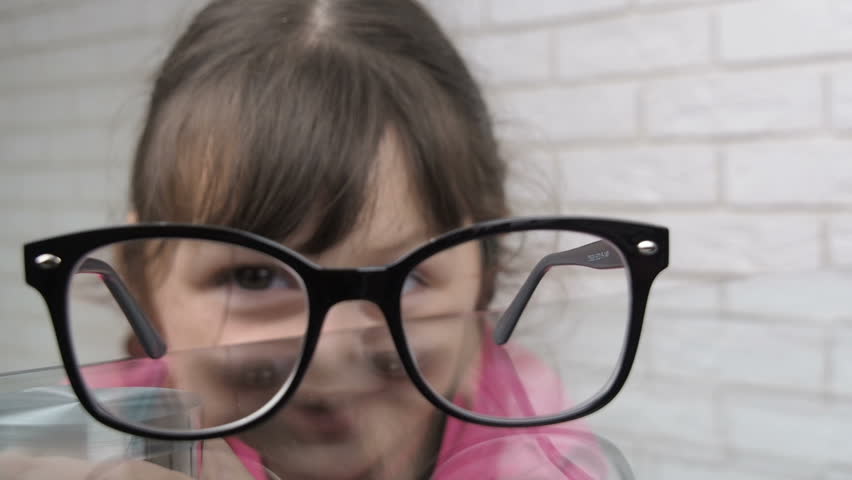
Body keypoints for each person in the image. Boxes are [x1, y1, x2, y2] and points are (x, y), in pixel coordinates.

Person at [6, 0, 664, 478]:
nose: (332, 354)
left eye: (411, 276)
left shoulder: (545, 456)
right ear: (141, 278)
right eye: (254, 277)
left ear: (484, 279)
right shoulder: (77, 449)